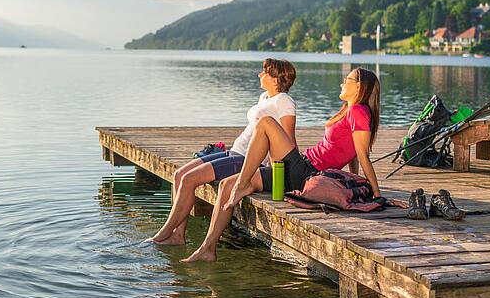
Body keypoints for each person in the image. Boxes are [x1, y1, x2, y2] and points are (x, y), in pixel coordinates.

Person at [183, 67, 382, 263]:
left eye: (347, 80)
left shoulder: (358, 111)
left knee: (266, 123)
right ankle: (207, 248)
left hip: (307, 173)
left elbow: (362, 154)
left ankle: (243, 183)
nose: (342, 82)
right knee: (226, 185)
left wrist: (376, 194)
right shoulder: (351, 110)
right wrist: (354, 178)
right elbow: (352, 152)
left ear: (358, 87)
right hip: (301, 166)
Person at [149, 59, 297, 246]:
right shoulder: (265, 98)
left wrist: (285, 170)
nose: (260, 75)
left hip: (246, 159)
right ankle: (178, 235)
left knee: (188, 180)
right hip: (235, 151)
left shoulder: (284, 101)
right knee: (179, 175)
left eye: (264, 72)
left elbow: (288, 140)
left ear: (275, 80)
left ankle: (163, 233)